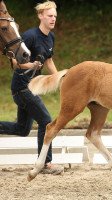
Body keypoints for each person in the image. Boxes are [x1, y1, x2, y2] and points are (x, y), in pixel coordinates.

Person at [0, 1, 63, 174]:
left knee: (22, 129)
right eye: (50, 16)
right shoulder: (29, 36)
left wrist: (59, 79)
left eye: (55, 16)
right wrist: (31, 66)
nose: (53, 19)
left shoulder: (50, 37)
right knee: (46, 121)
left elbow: (48, 60)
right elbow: (14, 61)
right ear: (41, 16)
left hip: (32, 88)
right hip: (22, 88)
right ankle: (45, 163)